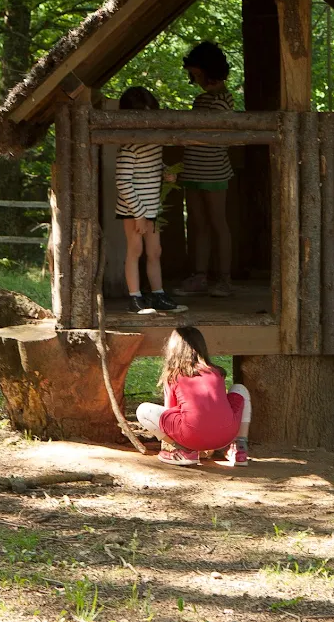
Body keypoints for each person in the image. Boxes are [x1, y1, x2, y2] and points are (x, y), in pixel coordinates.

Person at [135, 326, 250, 466]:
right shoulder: (217, 372)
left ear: (173, 349)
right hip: (226, 436)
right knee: (240, 389)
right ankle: (239, 449)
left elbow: (170, 410)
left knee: (143, 410)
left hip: (190, 436)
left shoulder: (173, 375)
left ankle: (185, 450)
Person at [114, 86, 185, 315]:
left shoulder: (155, 143)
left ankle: (158, 294)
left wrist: (166, 173)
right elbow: (123, 182)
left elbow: (152, 166)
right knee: (135, 250)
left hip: (152, 207)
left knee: (155, 251)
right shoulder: (128, 147)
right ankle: (135, 297)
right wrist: (139, 214)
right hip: (133, 209)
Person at [180, 41, 236, 298]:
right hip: (192, 168)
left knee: (217, 223)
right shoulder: (200, 100)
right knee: (198, 223)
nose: (196, 80)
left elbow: (219, 135)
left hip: (214, 170)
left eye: (198, 75)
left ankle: (224, 278)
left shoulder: (224, 101)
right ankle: (199, 275)